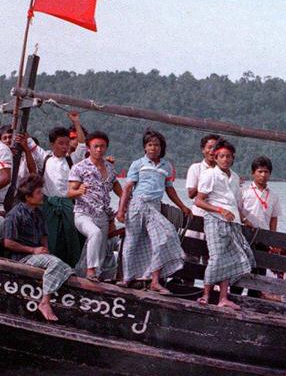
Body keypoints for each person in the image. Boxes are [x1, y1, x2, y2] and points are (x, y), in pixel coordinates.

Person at [116, 129, 191, 294]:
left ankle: (155, 280)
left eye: (156, 145)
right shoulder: (138, 164)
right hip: (137, 204)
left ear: (161, 147)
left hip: (154, 207)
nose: (153, 148)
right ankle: (127, 278)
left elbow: (169, 189)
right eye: (150, 145)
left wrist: (183, 206)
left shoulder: (167, 166)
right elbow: (128, 188)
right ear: (145, 147)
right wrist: (121, 210)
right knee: (131, 241)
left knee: (164, 237)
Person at [3, 177, 75, 322]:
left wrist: (46, 251)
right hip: (22, 257)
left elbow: (43, 237)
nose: (42, 195)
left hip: (36, 255)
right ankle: (45, 302)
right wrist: (32, 250)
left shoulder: (38, 213)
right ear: (28, 197)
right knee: (56, 264)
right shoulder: (15, 214)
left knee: (67, 269)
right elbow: (8, 242)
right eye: (38, 193)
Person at [195, 141, 255, 309]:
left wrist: (244, 219)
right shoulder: (209, 174)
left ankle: (223, 298)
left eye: (228, 156)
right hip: (215, 220)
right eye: (222, 156)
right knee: (216, 257)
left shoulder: (235, 177)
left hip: (233, 221)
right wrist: (219, 210)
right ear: (215, 158)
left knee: (229, 258)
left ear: (233, 158)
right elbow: (199, 201)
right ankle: (205, 294)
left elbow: (236, 203)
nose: (225, 159)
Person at [21, 124, 84, 268]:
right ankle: (49, 263)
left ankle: (71, 265)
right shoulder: (45, 157)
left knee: (70, 235)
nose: (64, 147)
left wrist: (76, 122)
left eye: (67, 143)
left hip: (68, 205)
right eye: (60, 143)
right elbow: (29, 141)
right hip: (48, 205)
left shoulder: (72, 160)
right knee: (49, 235)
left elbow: (82, 144)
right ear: (52, 144)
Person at [67, 131, 121, 282]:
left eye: (102, 147)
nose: (99, 150)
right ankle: (90, 272)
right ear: (89, 148)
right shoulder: (79, 167)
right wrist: (79, 191)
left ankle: (85, 274)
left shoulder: (109, 168)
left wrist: (125, 200)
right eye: (95, 146)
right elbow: (69, 192)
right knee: (95, 233)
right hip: (83, 213)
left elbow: (116, 186)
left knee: (100, 250)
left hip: (102, 215)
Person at [240, 155, 281, 231]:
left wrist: (272, 238)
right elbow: (237, 210)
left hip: (264, 235)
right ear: (253, 173)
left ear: (270, 174)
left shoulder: (274, 196)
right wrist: (244, 220)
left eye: (266, 172)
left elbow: (274, 219)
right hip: (245, 232)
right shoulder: (243, 191)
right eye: (260, 171)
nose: (263, 175)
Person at [185, 134, 221, 220]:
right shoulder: (196, 168)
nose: (212, 151)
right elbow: (191, 194)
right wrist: (207, 178)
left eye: (216, 148)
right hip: (199, 213)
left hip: (217, 215)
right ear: (203, 150)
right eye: (209, 147)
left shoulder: (223, 172)